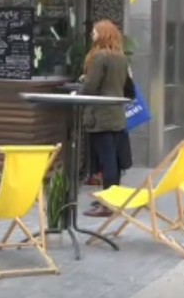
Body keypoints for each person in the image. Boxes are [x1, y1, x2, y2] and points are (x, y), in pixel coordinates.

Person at [79, 20, 131, 218]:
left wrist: (82, 88)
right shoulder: (121, 57)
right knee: (114, 161)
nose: (92, 35)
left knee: (106, 161)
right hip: (116, 114)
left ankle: (107, 205)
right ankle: (112, 198)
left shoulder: (100, 56)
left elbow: (92, 87)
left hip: (100, 115)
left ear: (102, 34)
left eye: (94, 32)